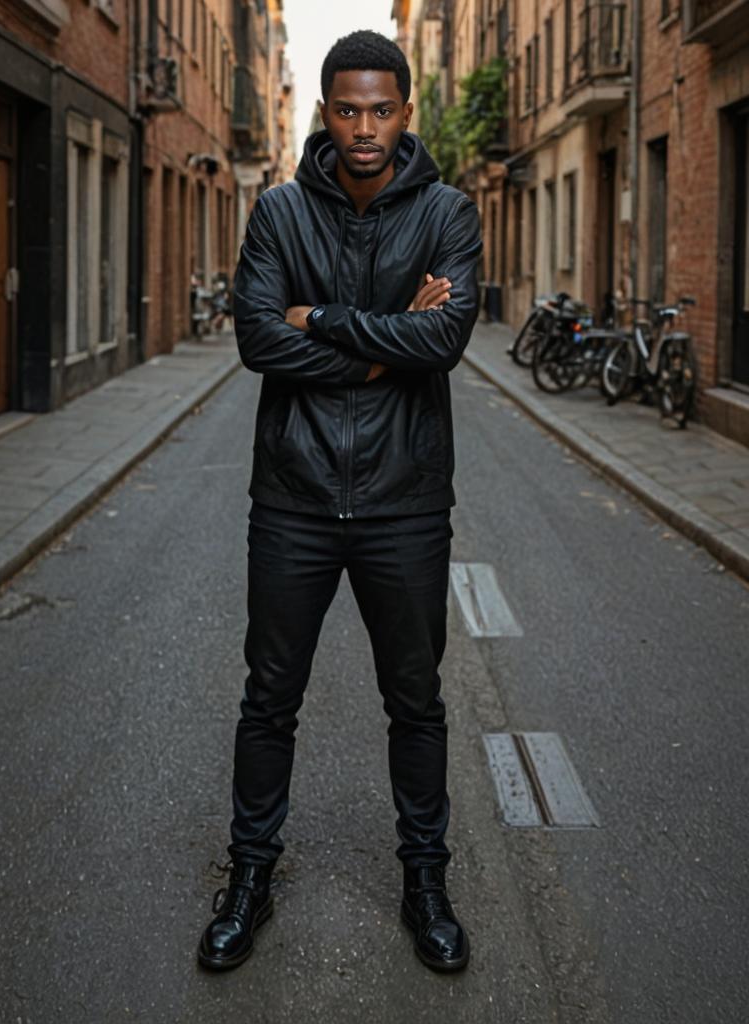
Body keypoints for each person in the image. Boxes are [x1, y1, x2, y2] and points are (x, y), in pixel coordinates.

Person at [197, 29, 481, 975]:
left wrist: (318, 318)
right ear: (327, 112)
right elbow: (256, 342)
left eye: (382, 109)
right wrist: (386, 339)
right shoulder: (278, 213)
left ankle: (426, 885)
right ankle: (247, 878)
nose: (365, 128)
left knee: (417, 702)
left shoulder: (448, 212)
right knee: (269, 699)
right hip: (295, 497)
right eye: (348, 110)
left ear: (407, 111)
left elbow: (442, 344)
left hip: (405, 501)